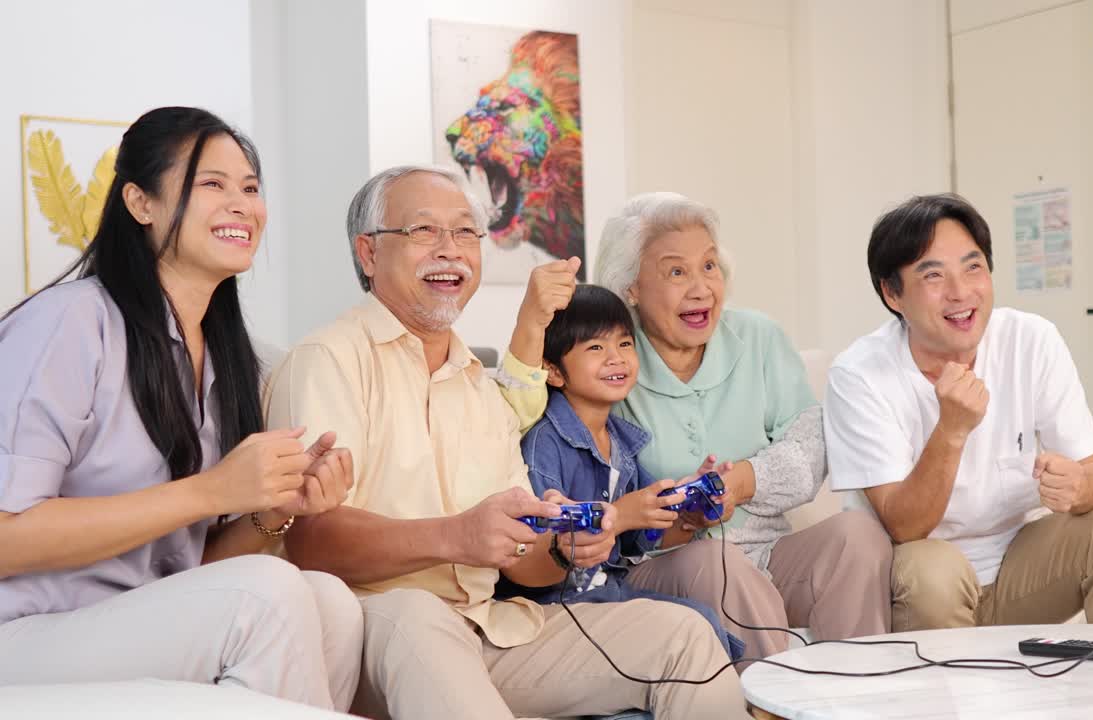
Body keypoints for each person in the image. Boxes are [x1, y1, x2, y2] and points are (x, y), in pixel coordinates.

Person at [264, 165, 747, 720]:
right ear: (369, 254)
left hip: (489, 628)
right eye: (424, 231)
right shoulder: (328, 359)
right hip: (372, 627)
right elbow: (309, 540)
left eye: (466, 233)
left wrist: (563, 549)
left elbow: (525, 563)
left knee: (683, 634)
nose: (451, 250)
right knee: (418, 615)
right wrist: (456, 536)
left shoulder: (479, 385)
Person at [0, 107, 361, 710]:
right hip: (26, 631)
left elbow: (194, 572)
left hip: (132, 621)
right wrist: (213, 492)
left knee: (332, 604)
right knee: (268, 594)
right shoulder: (71, 321)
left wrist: (270, 511)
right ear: (141, 204)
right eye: (211, 184)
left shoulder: (235, 358)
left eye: (250, 187)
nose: (242, 204)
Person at [824, 193, 1093, 631]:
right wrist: (951, 430)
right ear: (893, 294)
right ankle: (944, 699)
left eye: (973, 267)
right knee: (934, 572)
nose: (961, 293)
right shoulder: (858, 375)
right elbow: (904, 527)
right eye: (933, 276)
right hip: (918, 580)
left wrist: (1079, 486)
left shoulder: (1032, 339)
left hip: (1020, 567)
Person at [588, 192, 892, 660]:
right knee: (718, 561)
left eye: (709, 266)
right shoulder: (612, 361)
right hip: (663, 566)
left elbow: (810, 444)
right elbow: (599, 495)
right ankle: (779, 707)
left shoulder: (758, 337)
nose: (701, 288)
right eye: (676, 272)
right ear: (630, 287)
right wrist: (681, 510)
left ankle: (859, 696)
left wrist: (743, 482)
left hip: (769, 554)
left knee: (858, 536)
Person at [497, 283, 745, 661]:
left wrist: (688, 511)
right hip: (558, 606)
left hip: (609, 589)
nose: (616, 358)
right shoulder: (543, 445)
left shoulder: (621, 441)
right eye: (596, 348)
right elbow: (536, 551)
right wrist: (622, 514)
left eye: (624, 344)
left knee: (705, 623)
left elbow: (642, 539)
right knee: (691, 630)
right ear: (554, 371)